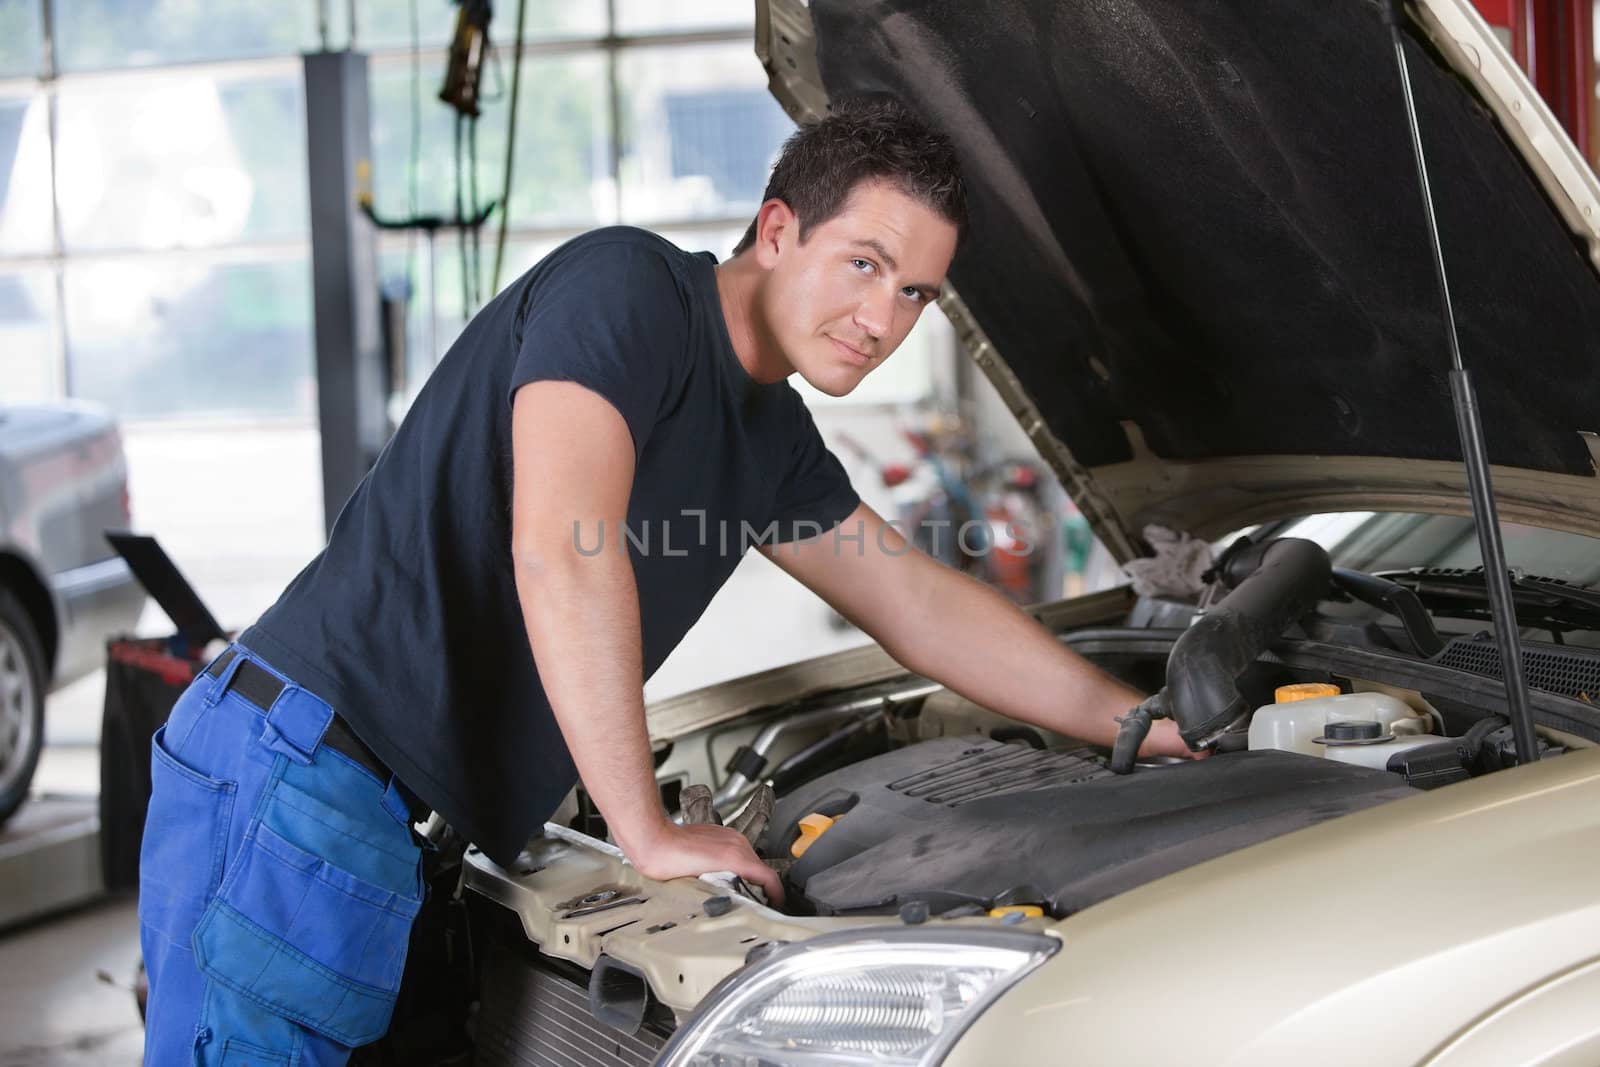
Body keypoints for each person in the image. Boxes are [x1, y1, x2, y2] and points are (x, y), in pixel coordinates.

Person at [137, 96, 1198, 1066]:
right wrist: (642, 825)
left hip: (378, 814)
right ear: (777, 228)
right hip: (299, 771)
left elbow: (914, 599)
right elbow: (564, 543)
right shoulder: (630, 292)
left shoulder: (771, 440)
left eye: (916, 291)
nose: (883, 321)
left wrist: (1131, 717)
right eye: (864, 264)